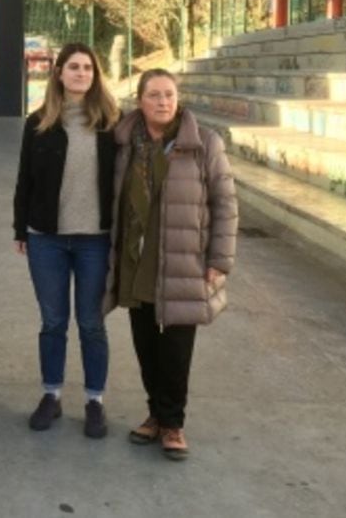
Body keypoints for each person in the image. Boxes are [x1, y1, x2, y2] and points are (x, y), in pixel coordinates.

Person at [104, 68, 237, 460]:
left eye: (169, 94)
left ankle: (173, 423)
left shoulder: (204, 143)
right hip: (137, 260)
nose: (164, 102)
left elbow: (226, 204)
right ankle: (155, 414)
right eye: (154, 95)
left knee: (177, 348)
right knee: (145, 344)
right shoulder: (126, 143)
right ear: (140, 101)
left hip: (185, 260)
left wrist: (220, 259)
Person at [14, 43, 120, 438]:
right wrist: (19, 229)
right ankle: (51, 395)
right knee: (53, 322)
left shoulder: (112, 123)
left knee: (91, 323)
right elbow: (25, 180)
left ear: (96, 75)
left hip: (95, 241)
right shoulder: (38, 123)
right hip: (47, 240)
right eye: (73, 67)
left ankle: (95, 401)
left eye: (88, 68)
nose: (80, 74)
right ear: (59, 73)